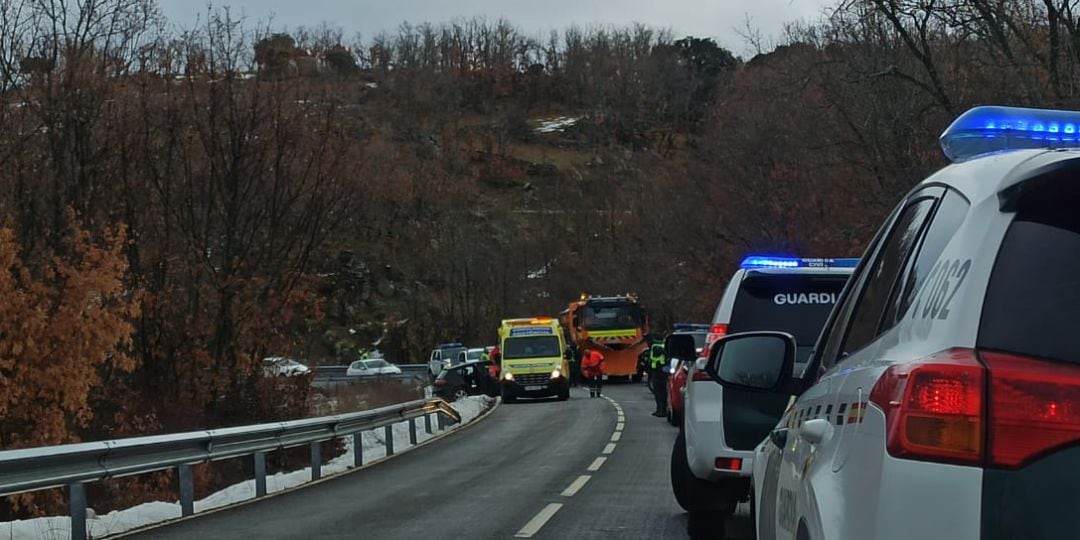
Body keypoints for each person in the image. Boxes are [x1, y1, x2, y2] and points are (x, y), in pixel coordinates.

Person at [648, 340, 669, 417]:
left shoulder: (654, 348)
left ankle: (661, 410)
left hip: (658, 373)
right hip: (662, 373)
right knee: (661, 393)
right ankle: (660, 410)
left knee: (660, 394)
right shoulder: (664, 347)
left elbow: (651, 361)